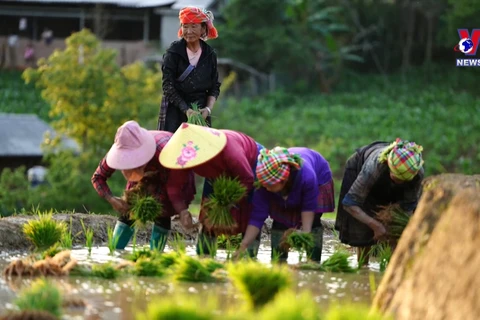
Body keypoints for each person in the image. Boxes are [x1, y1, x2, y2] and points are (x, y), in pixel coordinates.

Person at [159, 123, 264, 256]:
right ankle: (204, 256)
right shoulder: (183, 156)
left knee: (249, 212)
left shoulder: (229, 150)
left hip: (251, 164)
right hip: (216, 174)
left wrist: (228, 203)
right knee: (209, 214)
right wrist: (182, 211)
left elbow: (247, 179)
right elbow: (174, 186)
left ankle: (249, 257)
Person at [91, 121, 195, 251]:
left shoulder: (166, 151)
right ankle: (115, 251)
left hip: (168, 171)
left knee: (162, 211)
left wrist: (182, 211)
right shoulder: (121, 148)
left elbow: (174, 188)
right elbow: (98, 177)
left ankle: (155, 256)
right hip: (144, 175)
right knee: (129, 208)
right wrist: (111, 199)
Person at [234, 147, 335, 262]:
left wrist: (305, 232)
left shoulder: (307, 177)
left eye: (269, 185)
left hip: (319, 175)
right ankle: (279, 260)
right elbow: (257, 218)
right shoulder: (263, 187)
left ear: (283, 180)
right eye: (264, 185)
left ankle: (313, 261)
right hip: (286, 183)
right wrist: (243, 246)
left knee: (313, 224)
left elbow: (308, 208)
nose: (266, 188)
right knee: (280, 221)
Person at [335, 138, 424, 264]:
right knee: (363, 232)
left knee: (398, 232)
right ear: (389, 166)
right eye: (396, 177)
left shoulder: (416, 172)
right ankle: (363, 268)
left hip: (388, 182)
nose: (400, 182)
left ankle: (392, 266)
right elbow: (350, 203)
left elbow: (408, 207)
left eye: (403, 180)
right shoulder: (375, 167)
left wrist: (398, 228)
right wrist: (376, 225)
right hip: (360, 169)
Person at [158, 6, 220, 133]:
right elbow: (167, 86)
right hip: (175, 112)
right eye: (185, 26)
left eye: (193, 26)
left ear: (203, 29)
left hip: (201, 112)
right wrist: (186, 110)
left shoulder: (209, 54)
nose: (189, 31)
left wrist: (207, 109)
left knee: (200, 149)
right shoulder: (174, 52)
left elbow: (214, 86)